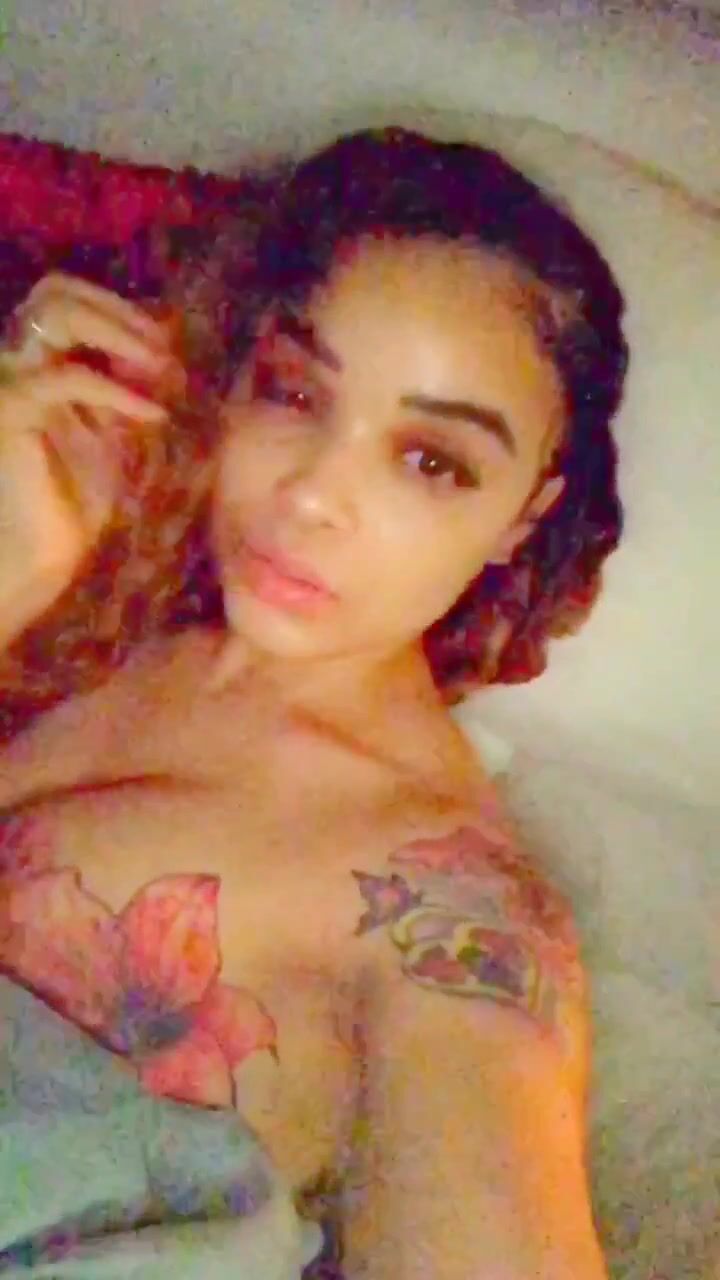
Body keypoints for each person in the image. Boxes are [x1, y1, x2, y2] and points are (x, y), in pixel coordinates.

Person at [0, 127, 627, 1279]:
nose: (310, 495)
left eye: (431, 459)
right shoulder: (96, 587)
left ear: (526, 515)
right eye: (293, 391)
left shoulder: (446, 910)